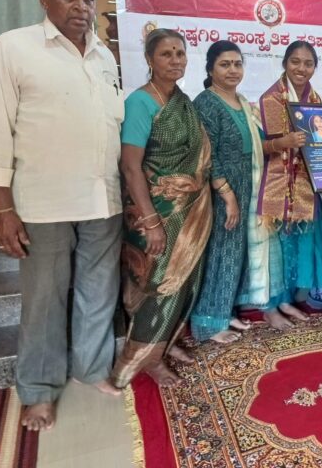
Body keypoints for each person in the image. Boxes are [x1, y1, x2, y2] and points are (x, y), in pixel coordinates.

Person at [0, 0, 123, 431]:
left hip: (103, 199)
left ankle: (91, 369)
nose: (81, 7)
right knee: (44, 299)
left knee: (99, 292)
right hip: (44, 202)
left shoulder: (104, 56)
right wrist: (2, 208)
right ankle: (38, 389)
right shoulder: (13, 48)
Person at [110, 29, 212, 388]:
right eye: (166, 54)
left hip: (190, 211)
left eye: (180, 53)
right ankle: (142, 359)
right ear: (149, 60)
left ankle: (164, 344)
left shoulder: (183, 101)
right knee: (159, 285)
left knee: (183, 282)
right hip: (155, 212)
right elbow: (130, 167)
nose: (175, 60)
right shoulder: (141, 102)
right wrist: (151, 221)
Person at [191, 41, 286, 338]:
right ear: (210, 69)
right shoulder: (206, 103)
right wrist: (227, 195)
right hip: (223, 190)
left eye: (237, 64)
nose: (232, 70)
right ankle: (208, 323)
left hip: (247, 184)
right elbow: (207, 154)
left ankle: (226, 311)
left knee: (238, 253)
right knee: (222, 253)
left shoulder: (242, 102)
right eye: (225, 64)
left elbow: (258, 144)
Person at [258, 41, 322, 311]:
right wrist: (283, 142)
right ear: (284, 63)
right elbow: (260, 147)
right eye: (295, 62)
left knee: (306, 237)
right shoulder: (270, 99)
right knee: (280, 242)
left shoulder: (317, 103)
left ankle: (300, 294)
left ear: (315, 67)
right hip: (278, 181)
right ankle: (279, 300)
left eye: (308, 63)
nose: (301, 68)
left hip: (308, 181)